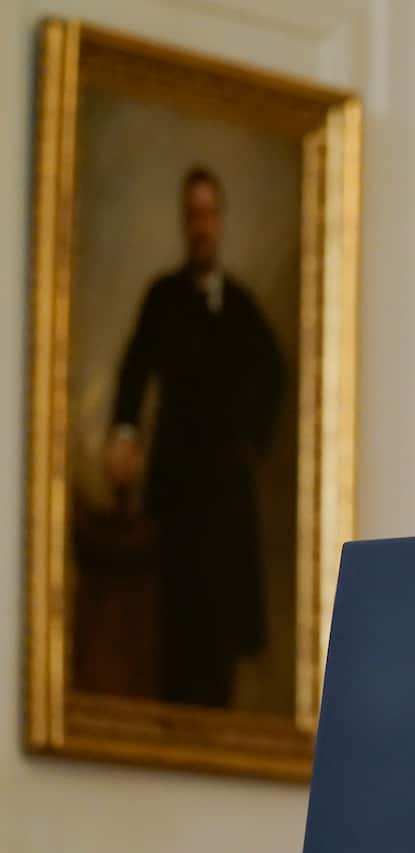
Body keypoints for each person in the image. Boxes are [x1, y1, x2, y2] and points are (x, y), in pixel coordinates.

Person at [104, 165, 283, 706]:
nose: (201, 225)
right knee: (176, 625)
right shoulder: (162, 297)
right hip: (177, 491)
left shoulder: (243, 308)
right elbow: (134, 371)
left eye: (209, 214)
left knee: (222, 632)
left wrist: (251, 436)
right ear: (185, 223)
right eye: (193, 215)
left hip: (225, 498)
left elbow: (273, 371)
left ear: (219, 221)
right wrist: (125, 433)